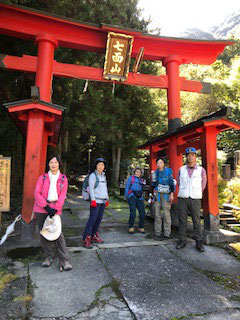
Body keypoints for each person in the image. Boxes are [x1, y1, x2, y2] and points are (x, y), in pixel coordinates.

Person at [33, 155, 72, 271]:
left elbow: (62, 195)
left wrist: (55, 208)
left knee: (59, 234)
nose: (53, 165)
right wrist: (46, 207)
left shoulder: (63, 179)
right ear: (48, 164)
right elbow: (37, 193)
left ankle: (64, 260)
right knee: (44, 233)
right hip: (41, 208)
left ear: (59, 164)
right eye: (51, 162)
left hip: (56, 209)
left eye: (55, 162)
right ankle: (48, 257)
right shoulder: (42, 178)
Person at [176, 147, 207, 252]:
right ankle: (182, 240)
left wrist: (196, 191)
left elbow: (203, 184)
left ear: (195, 157)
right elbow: (179, 182)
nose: (190, 157)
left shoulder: (201, 170)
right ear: (186, 157)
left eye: (192, 155)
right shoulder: (181, 169)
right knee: (182, 220)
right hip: (183, 197)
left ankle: (199, 241)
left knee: (197, 221)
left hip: (195, 198)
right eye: (188, 155)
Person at [83, 158, 109, 249]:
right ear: (96, 166)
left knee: (98, 219)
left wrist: (107, 198)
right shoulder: (93, 176)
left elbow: (105, 188)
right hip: (96, 201)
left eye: (102, 165)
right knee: (92, 220)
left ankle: (94, 236)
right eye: (99, 165)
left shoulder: (103, 176)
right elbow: (91, 188)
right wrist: (93, 200)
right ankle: (87, 238)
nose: (101, 167)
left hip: (102, 201)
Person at [151, 158, 174, 239]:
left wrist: (172, 193)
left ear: (164, 163)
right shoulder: (155, 172)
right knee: (157, 213)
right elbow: (153, 184)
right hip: (157, 193)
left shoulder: (168, 171)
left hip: (166, 194)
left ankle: (167, 232)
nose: (159, 164)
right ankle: (157, 232)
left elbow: (172, 183)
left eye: (161, 162)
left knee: (166, 213)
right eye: (158, 163)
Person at [125, 167, 146, 234]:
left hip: (140, 198)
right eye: (136, 172)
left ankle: (141, 227)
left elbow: (143, 188)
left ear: (141, 173)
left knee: (143, 213)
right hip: (132, 196)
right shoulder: (131, 178)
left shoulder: (142, 180)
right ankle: (131, 227)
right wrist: (126, 197)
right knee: (133, 213)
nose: (138, 173)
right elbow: (127, 187)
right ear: (134, 172)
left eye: (139, 172)